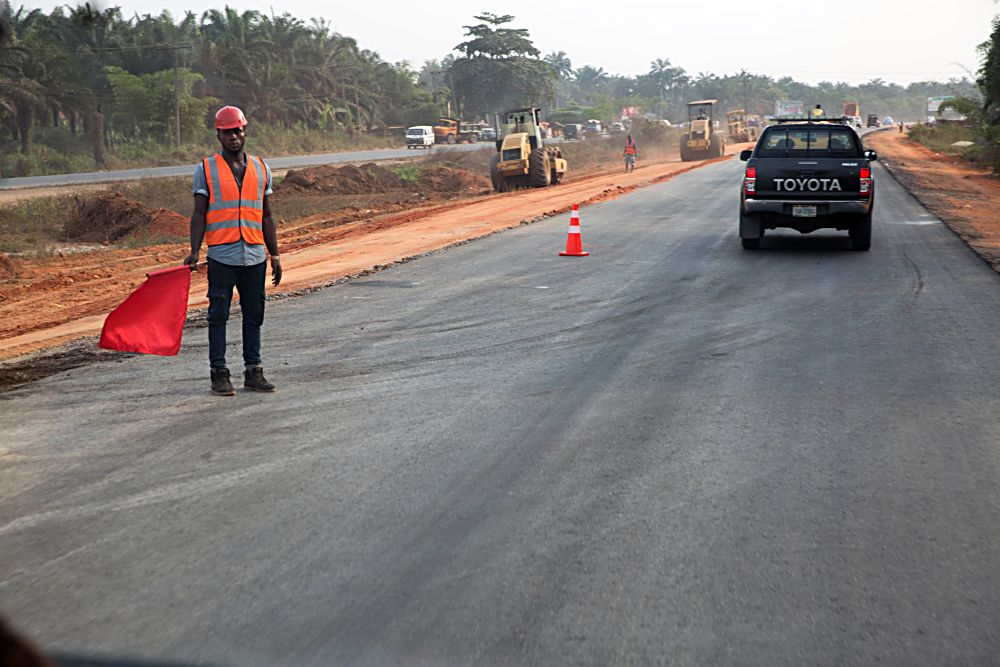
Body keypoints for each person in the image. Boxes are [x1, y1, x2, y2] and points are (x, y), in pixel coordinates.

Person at [184, 105, 282, 396]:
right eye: (228, 132)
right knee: (218, 316)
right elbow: (199, 214)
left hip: (254, 256)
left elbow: (266, 215)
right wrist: (194, 250)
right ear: (219, 135)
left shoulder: (261, 168)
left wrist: (274, 254)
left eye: (237, 131)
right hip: (222, 256)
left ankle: (254, 371)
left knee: (254, 315)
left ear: (245, 131)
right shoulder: (206, 169)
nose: (234, 137)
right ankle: (219, 373)